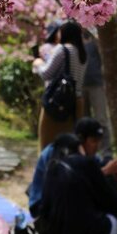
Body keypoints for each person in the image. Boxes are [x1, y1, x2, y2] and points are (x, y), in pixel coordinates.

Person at [33, 20, 87, 150]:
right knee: (68, 146)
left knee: (47, 144)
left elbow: (46, 73)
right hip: (76, 103)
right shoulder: (82, 53)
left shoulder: (62, 49)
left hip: (58, 101)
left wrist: (38, 63)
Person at [82, 29, 112, 155]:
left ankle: (106, 152)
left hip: (96, 84)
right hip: (82, 85)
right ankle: (85, 149)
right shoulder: (76, 43)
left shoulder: (94, 42)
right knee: (84, 119)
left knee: (101, 119)